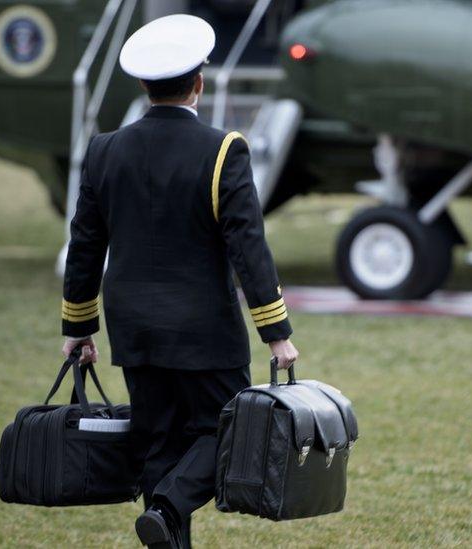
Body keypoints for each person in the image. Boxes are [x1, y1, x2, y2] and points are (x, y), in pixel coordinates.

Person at [60, 14, 299, 548]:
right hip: (204, 330)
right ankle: (168, 509)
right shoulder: (223, 150)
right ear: (200, 82)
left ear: (143, 85)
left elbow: (84, 247)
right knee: (229, 429)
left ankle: (165, 522)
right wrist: (276, 331)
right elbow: (248, 247)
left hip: (134, 330)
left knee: (158, 444)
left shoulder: (103, 150)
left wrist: (78, 326)